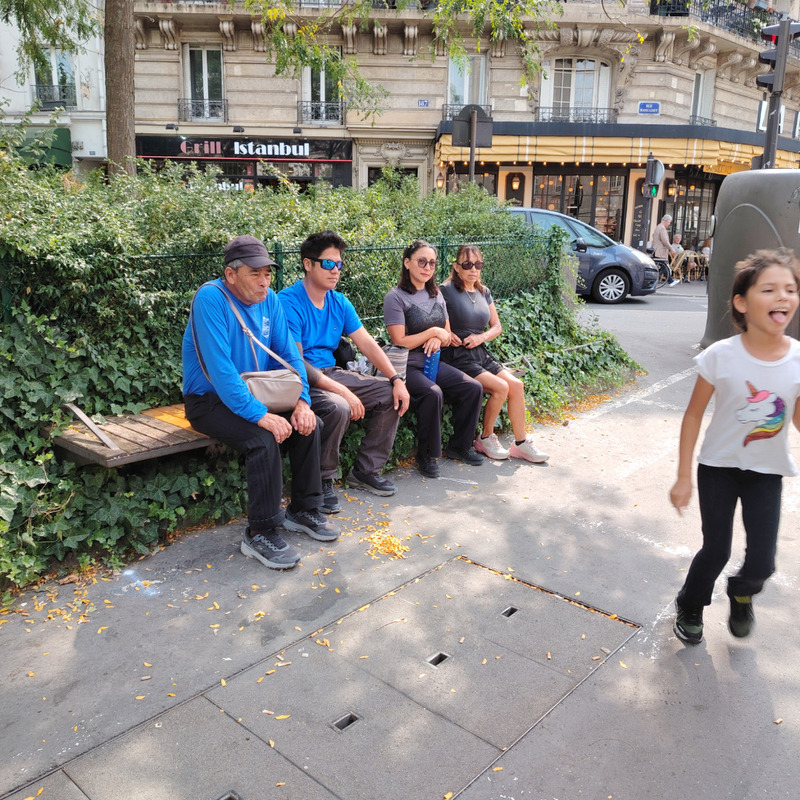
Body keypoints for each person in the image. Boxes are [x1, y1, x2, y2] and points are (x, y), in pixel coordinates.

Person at [182, 235, 339, 572]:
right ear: (230, 274)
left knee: (309, 423)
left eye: (267, 273)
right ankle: (261, 532)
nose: (264, 281)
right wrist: (260, 416)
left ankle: (304, 509)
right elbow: (221, 371)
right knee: (263, 438)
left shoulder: (271, 301)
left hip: (256, 392)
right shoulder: (210, 299)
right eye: (255, 274)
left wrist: (301, 401)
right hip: (208, 399)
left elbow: (290, 356)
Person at [669, 248, 800, 644]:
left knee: (762, 562)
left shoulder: (798, 359)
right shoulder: (720, 356)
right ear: (742, 303)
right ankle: (690, 603)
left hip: (767, 473)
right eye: (769, 289)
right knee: (717, 550)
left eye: (791, 289)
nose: (783, 296)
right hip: (718, 468)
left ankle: (742, 593)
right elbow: (693, 415)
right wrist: (683, 477)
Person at [278, 230, 411, 506]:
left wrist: (396, 379)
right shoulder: (288, 302)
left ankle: (366, 471)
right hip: (300, 379)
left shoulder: (338, 302)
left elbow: (368, 344)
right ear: (307, 264)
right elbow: (296, 363)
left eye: (339, 264)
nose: (335, 270)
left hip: (332, 373)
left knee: (389, 394)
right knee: (338, 406)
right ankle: (322, 480)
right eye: (328, 263)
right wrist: (343, 391)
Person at [383, 240, 485, 478]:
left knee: (473, 388)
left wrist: (439, 338)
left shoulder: (436, 294)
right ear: (407, 263)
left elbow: (447, 334)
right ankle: (426, 455)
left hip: (434, 361)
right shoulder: (395, 297)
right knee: (433, 393)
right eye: (421, 261)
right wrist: (433, 332)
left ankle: (459, 446)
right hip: (407, 365)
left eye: (432, 263)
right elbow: (400, 340)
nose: (427, 267)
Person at [440, 244, 550, 463]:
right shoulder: (446, 290)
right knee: (501, 387)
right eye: (467, 264)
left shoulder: (484, 291)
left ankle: (521, 443)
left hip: (480, 351)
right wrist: (448, 333)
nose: (473, 269)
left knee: (516, 385)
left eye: (478, 264)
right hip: (457, 355)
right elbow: (437, 318)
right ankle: (485, 438)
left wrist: (481, 337)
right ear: (456, 266)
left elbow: (497, 326)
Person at [653, 214, 680, 287]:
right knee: (664, 266)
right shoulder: (662, 228)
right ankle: (670, 281)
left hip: (657, 250)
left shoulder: (658, 227)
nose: (669, 224)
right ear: (666, 221)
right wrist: (671, 248)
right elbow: (665, 241)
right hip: (660, 250)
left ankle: (670, 281)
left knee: (662, 267)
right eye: (669, 222)